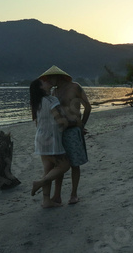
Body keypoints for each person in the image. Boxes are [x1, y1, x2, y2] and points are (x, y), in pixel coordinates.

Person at [38, 65, 91, 205]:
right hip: (59, 132)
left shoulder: (75, 87)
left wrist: (82, 126)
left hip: (73, 131)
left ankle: (73, 194)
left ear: (58, 76)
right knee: (59, 164)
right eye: (47, 79)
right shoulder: (54, 93)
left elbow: (88, 107)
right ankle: (57, 196)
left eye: (51, 77)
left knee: (75, 163)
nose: (49, 80)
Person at [29, 78, 72, 208]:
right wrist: (69, 124)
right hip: (52, 140)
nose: (47, 81)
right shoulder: (51, 100)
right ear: (41, 87)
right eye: (44, 81)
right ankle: (40, 182)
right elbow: (60, 120)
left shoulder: (36, 102)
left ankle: (46, 201)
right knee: (65, 165)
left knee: (48, 169)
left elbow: (36, 119)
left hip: (41, 139)